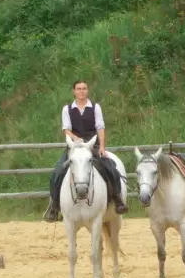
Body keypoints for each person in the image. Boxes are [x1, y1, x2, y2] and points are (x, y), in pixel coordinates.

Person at [43, 80, 129, 222]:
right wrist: (75, 138)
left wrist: (101, 147)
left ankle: (118, 200)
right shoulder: (67, 109)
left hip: (91, 145)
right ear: (74, 91)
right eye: (78, 88)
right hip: (74, 147)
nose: (81, 91)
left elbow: (100, 127)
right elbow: (66, 129)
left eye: (84, 88)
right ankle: (54, 206)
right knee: (57, 172)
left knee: (110, 168)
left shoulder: (95, 108)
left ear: (87, 91)